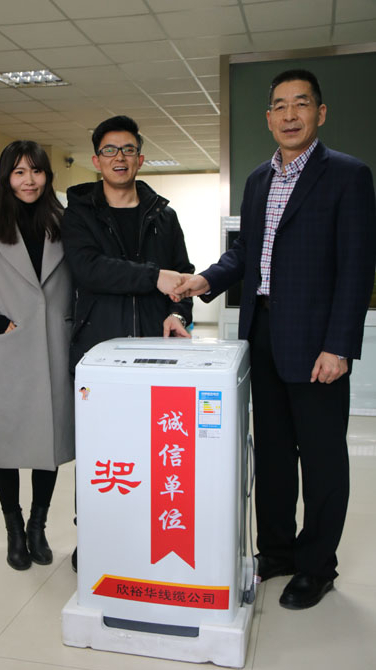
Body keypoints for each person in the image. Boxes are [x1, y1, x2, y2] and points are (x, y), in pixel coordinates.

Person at [173, 69, 376, 610]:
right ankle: (279, 551)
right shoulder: (258, 179)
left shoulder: (348, 175)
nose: (290, 115)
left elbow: (357, 267)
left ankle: (317, 566)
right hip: (261, 335)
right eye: (280, 106)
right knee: (273, 455)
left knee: (323, 458)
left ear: (320, 112)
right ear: (268, 119)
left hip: (317, 344)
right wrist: (204, 281)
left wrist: (339, 346)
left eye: (300, 104)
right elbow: (247, 253)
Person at [61, 115, 194, 570]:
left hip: (157, 351)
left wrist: (178, 312)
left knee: (154, 448)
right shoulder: (79, 213)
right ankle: (94, 535)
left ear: (141, 158)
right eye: (110, 150)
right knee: (100, 451)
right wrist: (154, 277)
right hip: (100, 350)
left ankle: (147, 534)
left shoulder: (164, 215)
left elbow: (182, 273)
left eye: (129, 149)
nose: (120, 157)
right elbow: (89, 269)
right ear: (97, 160)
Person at [0, 141, 74, 571]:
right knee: (6, 446)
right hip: (10, 351)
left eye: (36, 171)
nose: (29, 180)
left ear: (47, 176)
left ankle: (38, 526)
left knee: (49, 444)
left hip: (55, 348)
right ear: (7, 177)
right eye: (20, 172)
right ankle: (14, 530)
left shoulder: (64, 224)